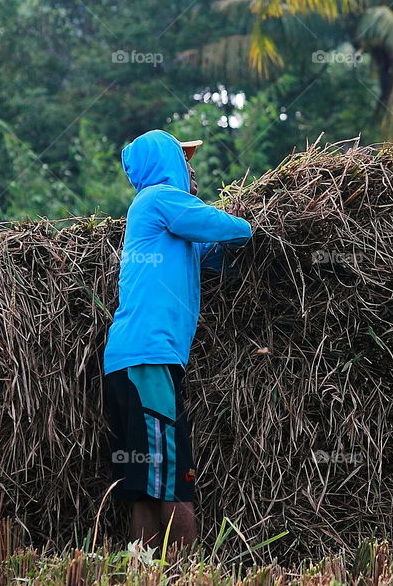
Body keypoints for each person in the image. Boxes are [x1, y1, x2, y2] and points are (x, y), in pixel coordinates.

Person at [102, 129, 251, 549]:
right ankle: (187, 571)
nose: (191, 168)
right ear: (165, 164)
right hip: (147, 358)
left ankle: (146, 570)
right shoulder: (159, 199)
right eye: (184, 159)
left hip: (134, 359)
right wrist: (254, 224)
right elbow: (231, 228)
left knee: (147, 480)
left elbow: (215, 253)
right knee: (173, 474)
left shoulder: (166, 219)